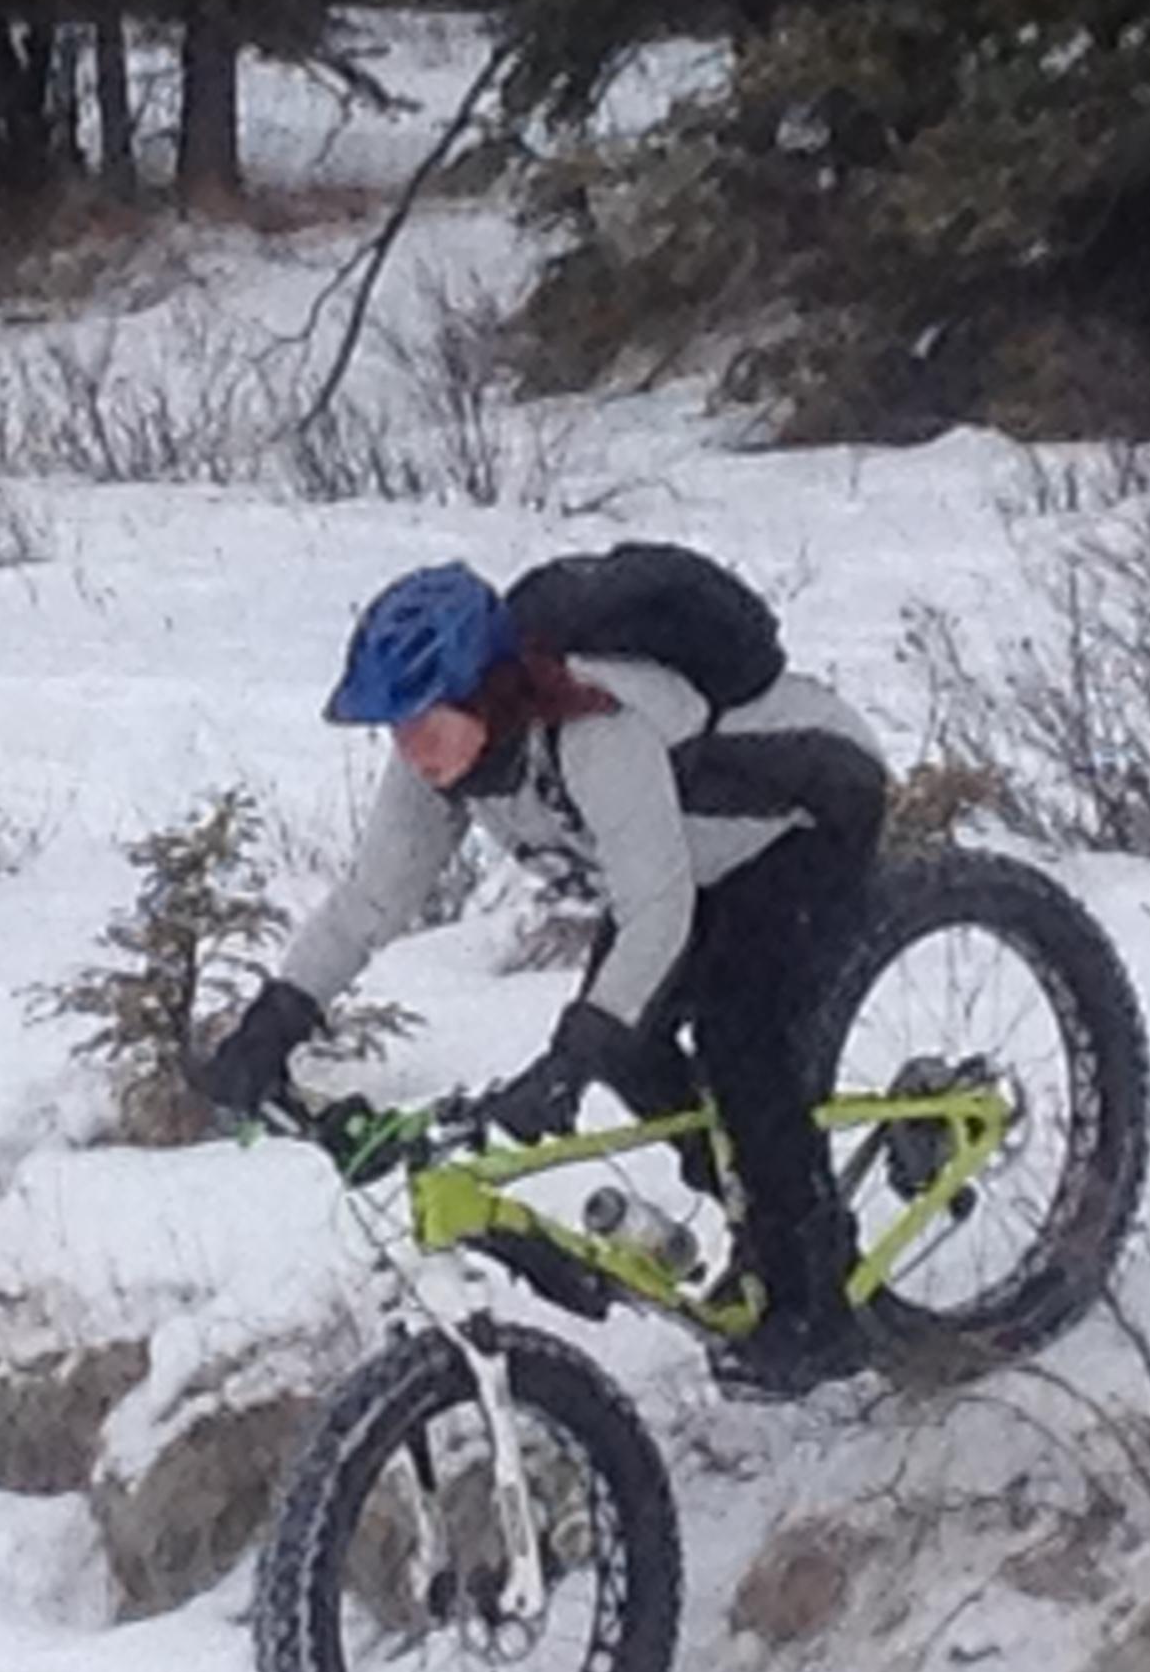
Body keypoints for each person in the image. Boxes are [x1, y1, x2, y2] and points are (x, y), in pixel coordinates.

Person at [197, 551, 889, 1398]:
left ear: (483, 693)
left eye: (422, 721)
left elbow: (656, 916)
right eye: (395, 727)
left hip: (802, 819)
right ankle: (750, 1197)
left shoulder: (596, 732)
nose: (408, 747)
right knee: (635, 1049)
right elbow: (369, 901)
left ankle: (816, 1297)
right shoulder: (445, 761)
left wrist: (570, 1059)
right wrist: (275, 1018)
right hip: (682, 864)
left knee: (741, 1040)